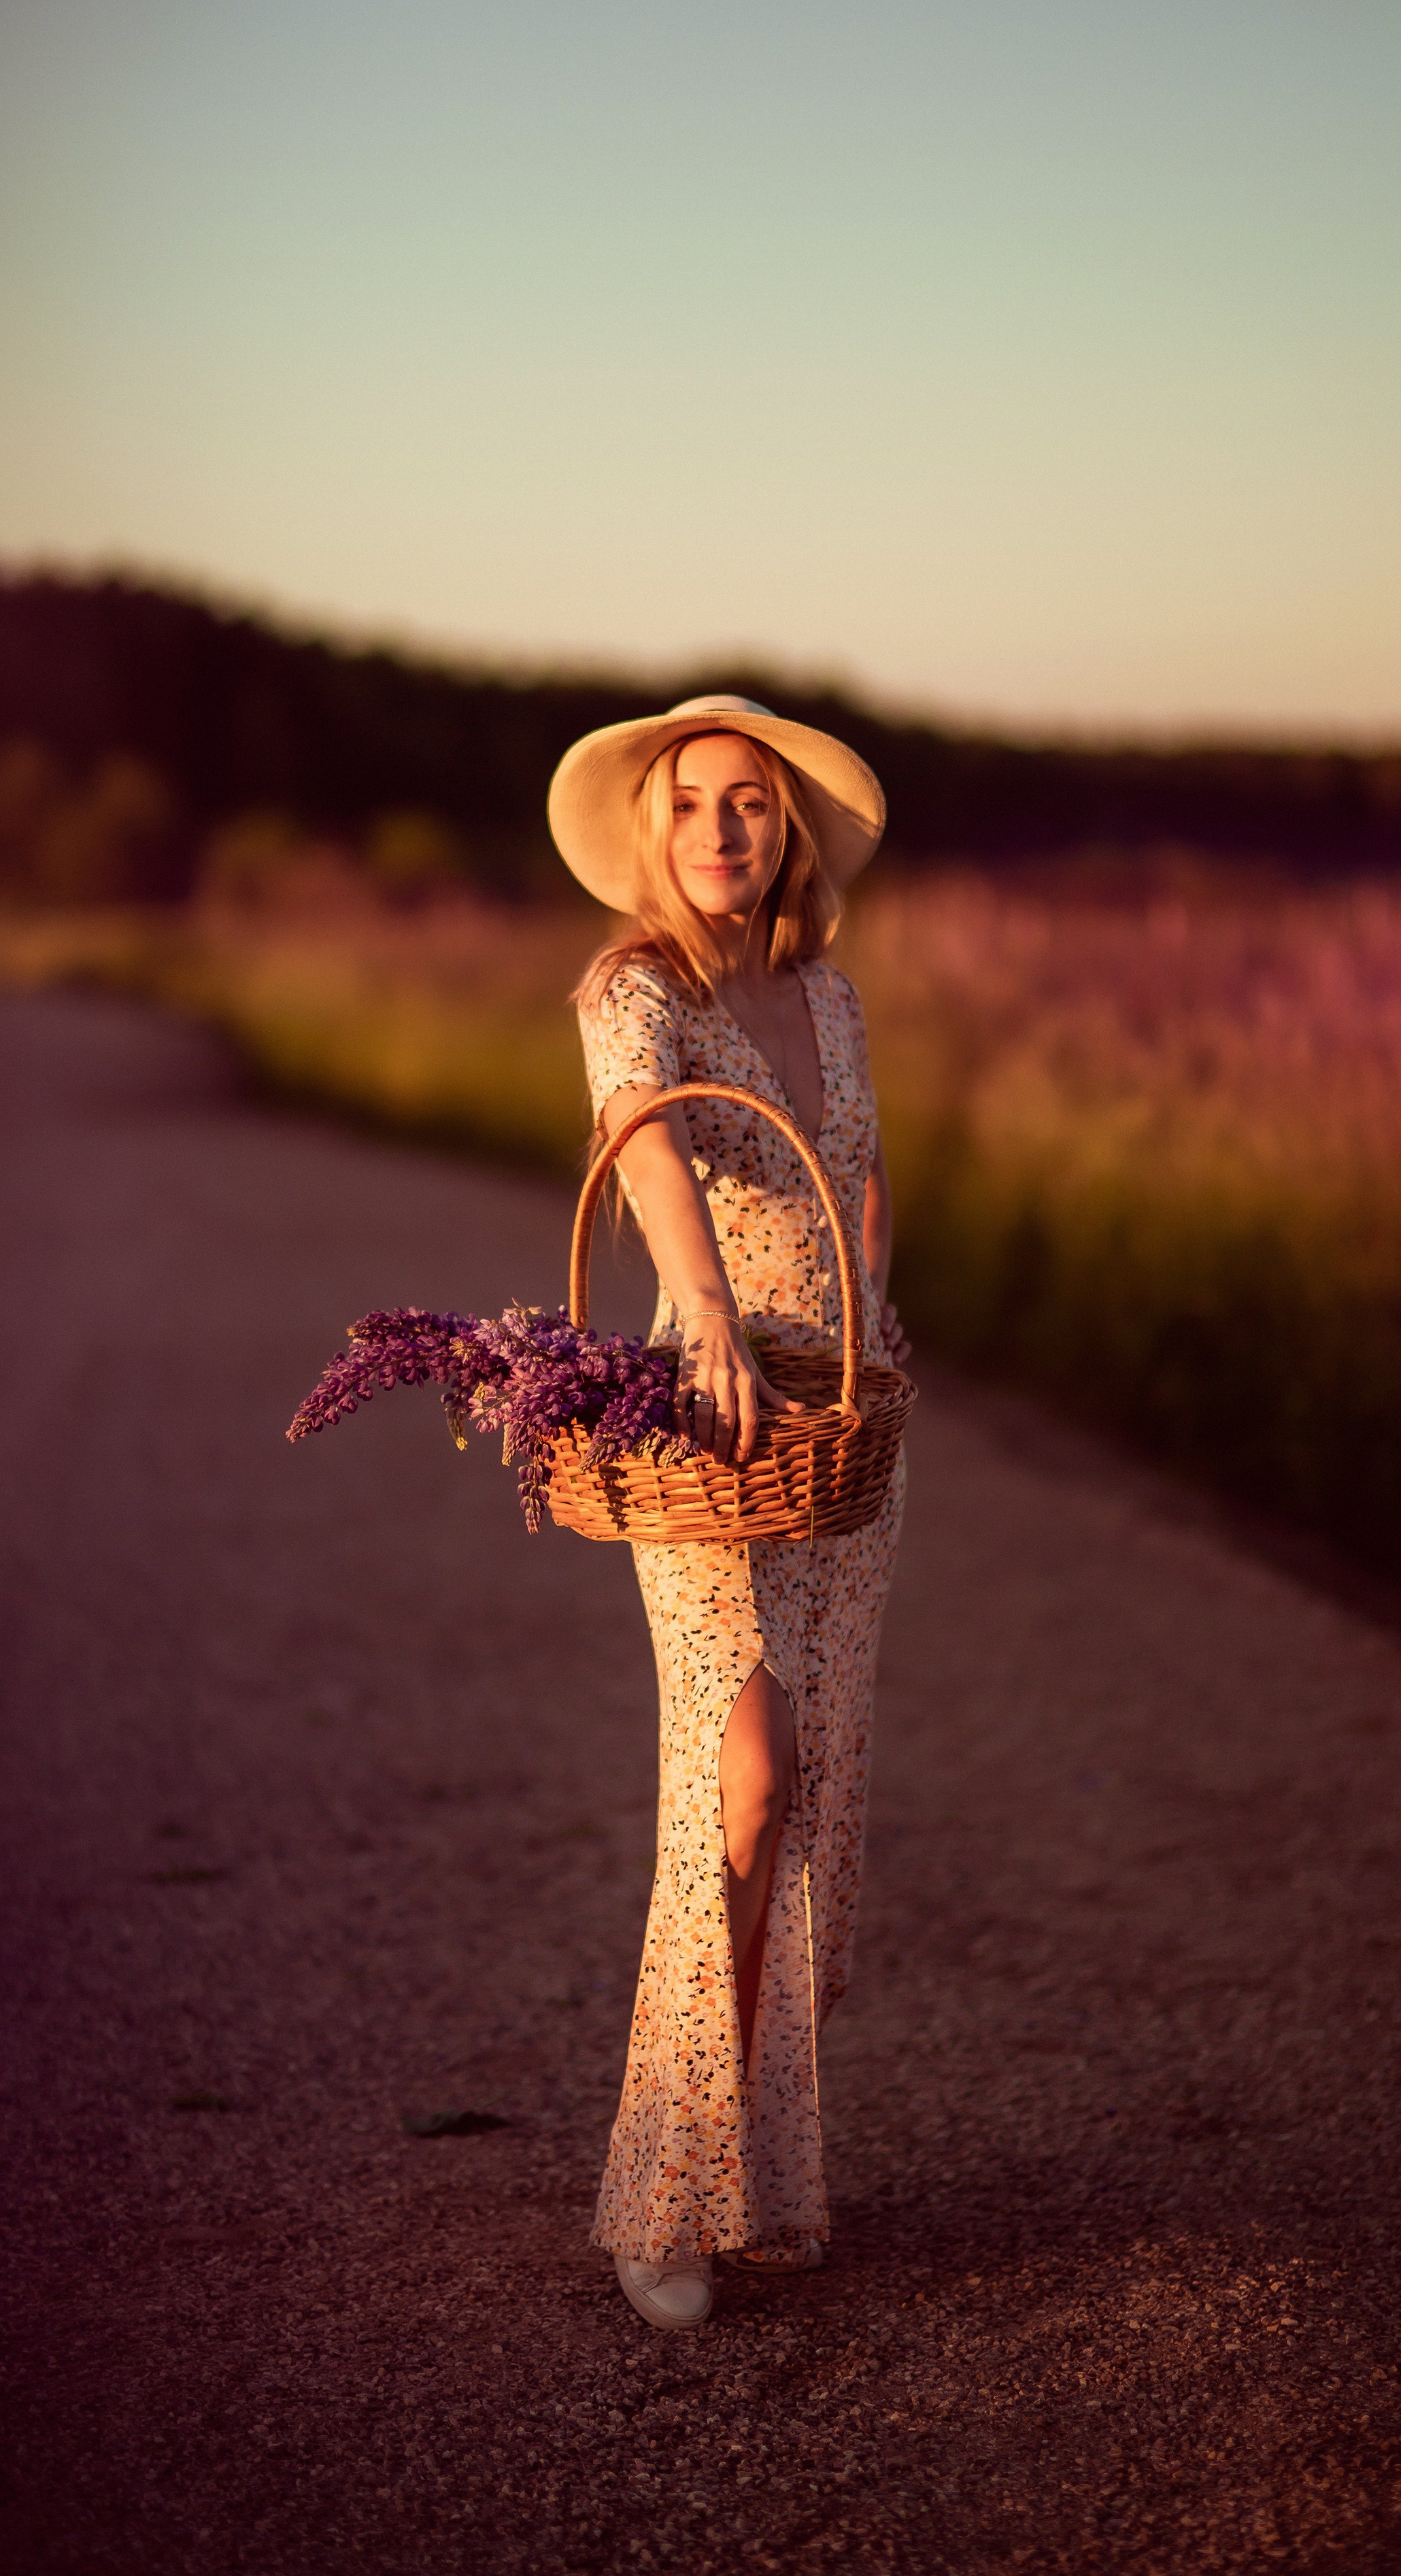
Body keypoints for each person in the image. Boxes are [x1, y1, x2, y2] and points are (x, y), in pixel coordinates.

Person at [548, 693, 912, 2332]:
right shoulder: (633, 991)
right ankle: (660, 2192)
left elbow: (862, 1177)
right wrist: (699, 1313)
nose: (718, 831)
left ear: (785, 836)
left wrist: (858, 1338)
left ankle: (754, 2170)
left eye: (748, 805)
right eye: (691, 804)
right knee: (741, 1771)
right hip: (703, 1420)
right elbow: (641, 1151)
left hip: (829, 1420)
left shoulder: (826, 996)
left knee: (810, 1802)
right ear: (654, 829)